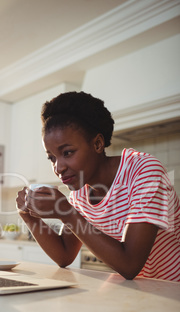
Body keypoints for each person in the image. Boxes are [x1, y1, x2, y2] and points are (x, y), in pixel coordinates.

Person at [16, 91, 180, 281]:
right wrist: (28, 217)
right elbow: (65, 256)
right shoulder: (79, 194)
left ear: (97, 144)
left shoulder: (144, 171)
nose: (58, 168)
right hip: (139, 291)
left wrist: (66, 212)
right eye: (52, 158)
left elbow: (130, 265)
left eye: (67, 152)